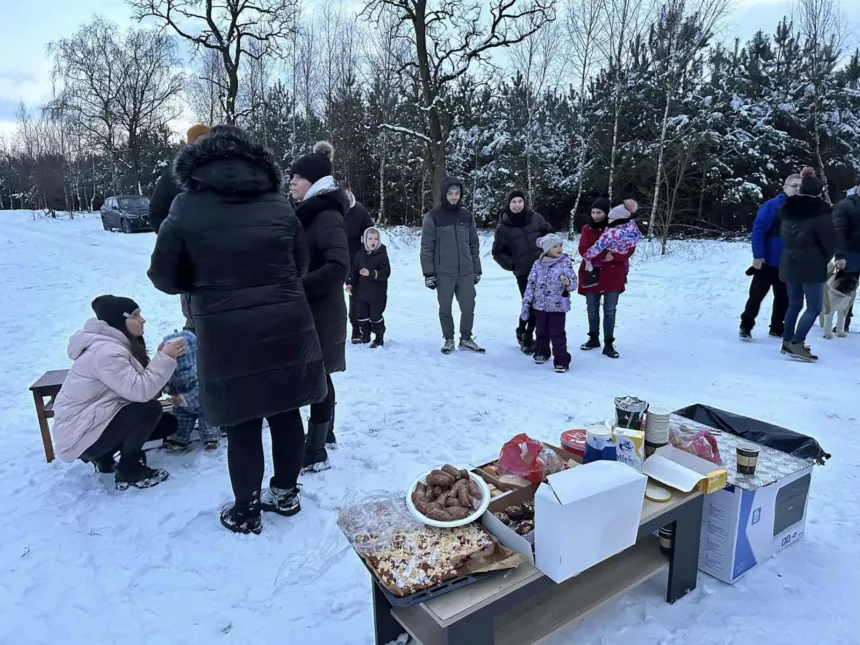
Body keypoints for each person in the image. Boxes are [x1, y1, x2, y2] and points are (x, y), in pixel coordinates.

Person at [148, 125, 327, 534]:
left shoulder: (186, 206)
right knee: (285, 410)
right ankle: (285, 493)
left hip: (227, 330)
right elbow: (299, 266)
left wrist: (202, 279)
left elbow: (165, 277)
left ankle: (246, 511)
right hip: (286, 323)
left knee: (243, 419)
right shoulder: (279, 205)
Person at [52, 296, 184, 490]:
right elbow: (142, 392)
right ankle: (129, 470)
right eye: (135, 315)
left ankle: (104, 458)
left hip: (90, 424)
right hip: (81, 435)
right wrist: (164, 358)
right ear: (119, 320)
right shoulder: (106, 352)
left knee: (167, 424)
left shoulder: (114, 345)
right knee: (149, 410)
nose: (142, 320)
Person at [289, 140, 351, 472]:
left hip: (322, 311)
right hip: (312, 309)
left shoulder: (325, 215)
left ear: (314, 182)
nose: (292, 183)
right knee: (320, 376)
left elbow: (339, 266)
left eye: (298, 177)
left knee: (319, 377)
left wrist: (298, 286)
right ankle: (324, 436)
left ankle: (314, 451)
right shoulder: (309, 212)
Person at [148, 124, 210, 333]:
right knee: (195, 315)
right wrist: (175, 240)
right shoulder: (174, 175)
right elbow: (156, 213)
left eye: (207, 139)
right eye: (198, 140)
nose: (203, 144)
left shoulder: (224, 173)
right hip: (191, 258)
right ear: (189, 144)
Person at [421, 177, 484, 354]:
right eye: (450, 193)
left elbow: (473, 245)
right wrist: (428, 273)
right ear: (444, 194)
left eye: (457, 193)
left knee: (468, 307)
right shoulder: (433, 216)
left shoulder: (466, 216)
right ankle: (448, 338)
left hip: (466, 271)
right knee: (445, 308)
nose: (454, 197)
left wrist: (476, 269)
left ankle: (465, 338)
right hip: (443, 272)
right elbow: (427, 247)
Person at [779, 173, 837, 362]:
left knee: (794, 304)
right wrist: (824, 258)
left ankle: (787, 341)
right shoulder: (821, 213)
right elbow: (829, 241)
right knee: (813, 307)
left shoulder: (787, 208)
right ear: (819, 192)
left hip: (789, 260)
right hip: (811, 264)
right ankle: (798, 343)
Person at [739, 174, 801, 340]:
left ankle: (777, 327)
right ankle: (746, 325)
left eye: (800, 186)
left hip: (789, 263)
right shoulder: (773, 205)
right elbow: (759, 230)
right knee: (756, 296)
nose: (797, 189)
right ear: (785, 187)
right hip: (767, 261)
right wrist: (758, 256)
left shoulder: (803, 209)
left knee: (783, 299)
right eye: (794, 185)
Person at [491, 189, 552, 354]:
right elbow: (497, 252)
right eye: (513, 202)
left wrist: (551, 251)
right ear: (508, 204)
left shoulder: (536, 218)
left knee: (541, 304)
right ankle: (526, 337)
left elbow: (549, 235)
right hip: (523, 272)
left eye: (519, 201)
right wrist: (513, 264)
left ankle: (523, 331)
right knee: (530, 304)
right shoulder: (503, 228)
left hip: (543, 268)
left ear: (524, 203)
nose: (517, 205)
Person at [577, 198, 637, 358]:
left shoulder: (621, 227)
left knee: (610, 310)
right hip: (591, 274)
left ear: (607, 213)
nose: (596, 216)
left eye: (599, 213)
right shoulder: (586, 229)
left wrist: (614, 256)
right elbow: (583, 249)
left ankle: (609, 343)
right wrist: (603, 255)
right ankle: (594, 338)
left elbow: (630, 249)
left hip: (613, 273)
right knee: (592, 309)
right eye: (593, 212)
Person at [520, 234, 576, 373]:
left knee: (557, 333)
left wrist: (568, 283)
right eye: (554, 246)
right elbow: (531, 285)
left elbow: (574, 284)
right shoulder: (538, 265)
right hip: (540, 305)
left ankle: (561, 360)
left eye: (560, 245)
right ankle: (542, 352)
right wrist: (526, 303)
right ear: (546, 250)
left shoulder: (565, 263)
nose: (559, 249)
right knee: (541, 331)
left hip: (557, 306)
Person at [160, 329, 221, 452]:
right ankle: (178, 438)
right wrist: (167, 389)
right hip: (181, 403)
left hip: (200, 402)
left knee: (207, 417)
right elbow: (166, 380)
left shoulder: (200, 369)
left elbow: (202, 388)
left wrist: (183, 399)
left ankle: (210, 438)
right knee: (180, 417)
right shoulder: (170, 367)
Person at [581, 200, 642, 288]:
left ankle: (593, 276)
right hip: (623, 250)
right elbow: (637, 237)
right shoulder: (631, 225)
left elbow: (599, 245)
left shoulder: (611, 231)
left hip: (613, 250)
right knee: (625, 261)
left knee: (595, 261)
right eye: (593, 212)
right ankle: (624, 274)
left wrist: (588, 255)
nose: (595, 216)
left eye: (611, 219)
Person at [347, 227, 391, 347]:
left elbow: (385, 273)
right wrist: (350, 283)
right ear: (364, 240)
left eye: (376, 239)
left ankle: (379, 339)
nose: (373, 241)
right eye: (370, 238)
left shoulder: (382, 256)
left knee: (375, 316)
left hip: (377, 294)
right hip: (362, 293)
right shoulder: (360, 255)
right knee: (361, 316)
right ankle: (365, 336)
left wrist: (371, 273)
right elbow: (354, 271)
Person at [342, 183, 375, 343]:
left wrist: (369, 255)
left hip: (356, 259)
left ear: (350, 193)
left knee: (354, 295)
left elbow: (370, 234)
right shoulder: (333, 210)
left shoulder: (360, 211)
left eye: (346, 194)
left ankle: (357, 329)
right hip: (334, 257)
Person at [832, 177, 860, 332]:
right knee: (845, 290)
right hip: (851, 253)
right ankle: (843, 322)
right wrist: (840, 255)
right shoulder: (846, 205)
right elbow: (839, 232)